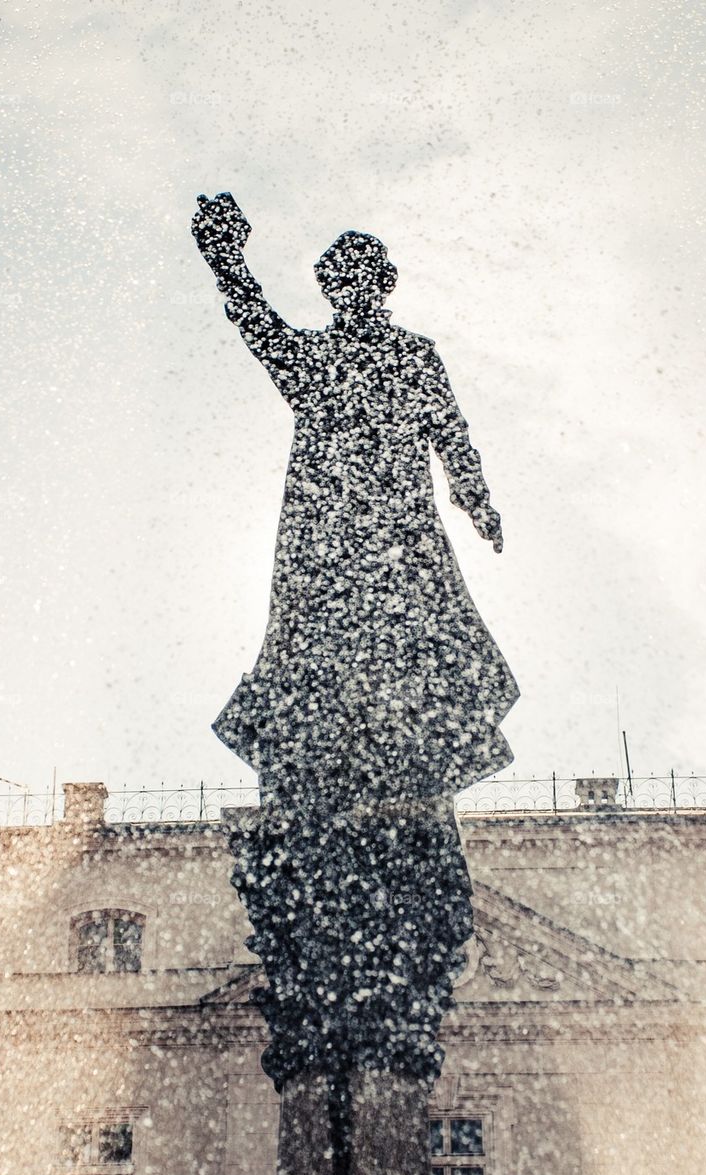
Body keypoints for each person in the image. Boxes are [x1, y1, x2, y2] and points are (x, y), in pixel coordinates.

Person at [191, 192, 518, 808]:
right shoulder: (316, 357)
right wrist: (225, 260)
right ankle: (337, 749)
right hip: (329, 535)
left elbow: (451, 431)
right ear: (331, 288)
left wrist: (475, 498)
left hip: (390, 531)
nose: (352, 290)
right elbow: (255, 319)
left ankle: (393, 752)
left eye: (361, 279)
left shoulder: (410, 355)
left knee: (414, 639)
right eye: (342, 280)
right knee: (319, 641)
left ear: (380, 286)